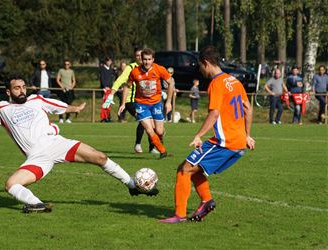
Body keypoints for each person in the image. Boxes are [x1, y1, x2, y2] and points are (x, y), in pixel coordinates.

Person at [0, 75, 158, 213]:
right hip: (37, 157)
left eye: (23, 87)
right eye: (17, 88)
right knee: (10, 184)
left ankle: (132, 186)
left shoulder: (36, 100)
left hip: (57, 143)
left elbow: (57, 106)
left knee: (100, 157)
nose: (22, 90)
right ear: (8, 92)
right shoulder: (0, 109)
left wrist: (75, 108)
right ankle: (36, 204)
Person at [159, 46, 255, 223]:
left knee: (184, 170)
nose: (200, 70)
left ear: (206, 63)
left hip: (223, 142)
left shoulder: (216, 84)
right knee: (195, 171)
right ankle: (206, 201)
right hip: (238, 141)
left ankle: (179, 215)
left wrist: (198, 135)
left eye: (200, 66)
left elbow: (214, 113)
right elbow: (247, 108)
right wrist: (247, 135)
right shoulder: (234, 81)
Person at [118, 48, 175, 159]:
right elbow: (127, 86)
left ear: (153, 59)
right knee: (149, 130)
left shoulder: (159, 69)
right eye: (144, 59)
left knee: (158, 130)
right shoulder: (135, 71)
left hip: (156, 103)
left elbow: (171, 82)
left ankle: (161, 134)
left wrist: (168, 102)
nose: (147, 62)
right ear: (141, 59)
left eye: (149, 59)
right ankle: (162, 151)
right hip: (141, 104)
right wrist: (123, 103)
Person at [102, 48, 153, 154]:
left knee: (148, 121)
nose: (140, 57)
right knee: (145, 120)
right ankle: (146, 146)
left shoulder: (148, 68)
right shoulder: (131, 67)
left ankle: (148, 146)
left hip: (144, 101)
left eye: (141, 55)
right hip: (131, 101)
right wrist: (112, 93)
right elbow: (120, 80)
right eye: (137, 56)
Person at [56, 59, 76, 123]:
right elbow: (58, 79)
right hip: (63, 90)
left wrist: (71, 87)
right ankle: (61, 118)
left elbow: (74, 80)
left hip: (69, 90)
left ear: (69, 65)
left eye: (67, 64)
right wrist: (62, 86)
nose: (66, 65)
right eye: (65, 64)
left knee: (69, 104)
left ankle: (67, 118)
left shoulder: (71, 71)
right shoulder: (61, 70)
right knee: (61, 104)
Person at [99, 57, 115, 122]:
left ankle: (108, 117)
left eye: (110, 61)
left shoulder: (111, 70)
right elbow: (102, 78)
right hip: (105, 89)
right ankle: (104, 117)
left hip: (110, 89)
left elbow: (112, 78)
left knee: (108, 104)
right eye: (108, 61)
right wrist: (105, 86)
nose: (109, 62)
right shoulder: (102, 69)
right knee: (105, 103)